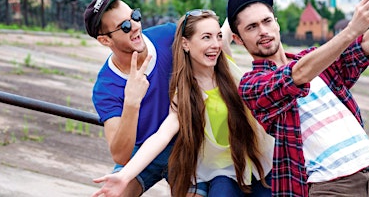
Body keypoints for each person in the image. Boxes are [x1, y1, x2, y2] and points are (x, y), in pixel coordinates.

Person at [226, 0, 369, 196]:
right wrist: (351, 30)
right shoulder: (252, 84)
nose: (263, 31)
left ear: (276, 23)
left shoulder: (314, 60)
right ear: (238, 39)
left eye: (266, 21)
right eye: (252, 27)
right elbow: (297, 75)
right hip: (331, 187)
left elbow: (367, 44)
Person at [91, 10, 275, 197]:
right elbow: (160, 137)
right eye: (206, 38)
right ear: (185, 44)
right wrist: (124, 175)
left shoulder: (224, 62)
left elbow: (236, 10)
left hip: (255, 159)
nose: (215, 44)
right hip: (219, 170)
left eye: (136, 16)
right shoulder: (187, 94)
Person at [84, 0, 177, 196]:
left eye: (134, 16)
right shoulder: (106, 86)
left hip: (184, 145)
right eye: (124, 26)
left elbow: (211, 36)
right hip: (141, 153)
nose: (135, 26)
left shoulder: (169, 37)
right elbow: (121, 155)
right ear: (105, 40)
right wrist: (132, 101)